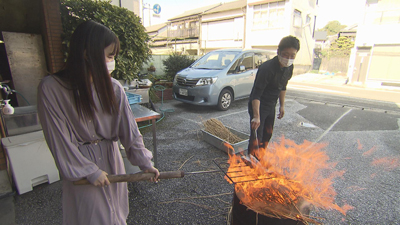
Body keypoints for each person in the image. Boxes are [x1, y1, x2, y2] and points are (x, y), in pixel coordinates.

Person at [37, 20, 160, 225]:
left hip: (112, 158)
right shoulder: (51, 89)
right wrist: (89, 171)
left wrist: (145, 163)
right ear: (87, 53)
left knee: (117, 215)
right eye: (110, 56)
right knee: (91, 218)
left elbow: (130, 131)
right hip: (81, 165)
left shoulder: (113, 88)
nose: (113, 62)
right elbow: (59, 141)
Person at [247, 35, 300, 156]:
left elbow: (283, 87)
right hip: (258, 104)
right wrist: (256, 116)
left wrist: (282, 106)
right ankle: (250, 162)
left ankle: (260, 157)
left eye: (292, 55)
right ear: (279, 52)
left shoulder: (289, 67)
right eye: (286, 54)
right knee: (257, 136)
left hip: (271, 105)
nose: (289, 58)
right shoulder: (267, 68)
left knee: (268, 134)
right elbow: (256, 93)